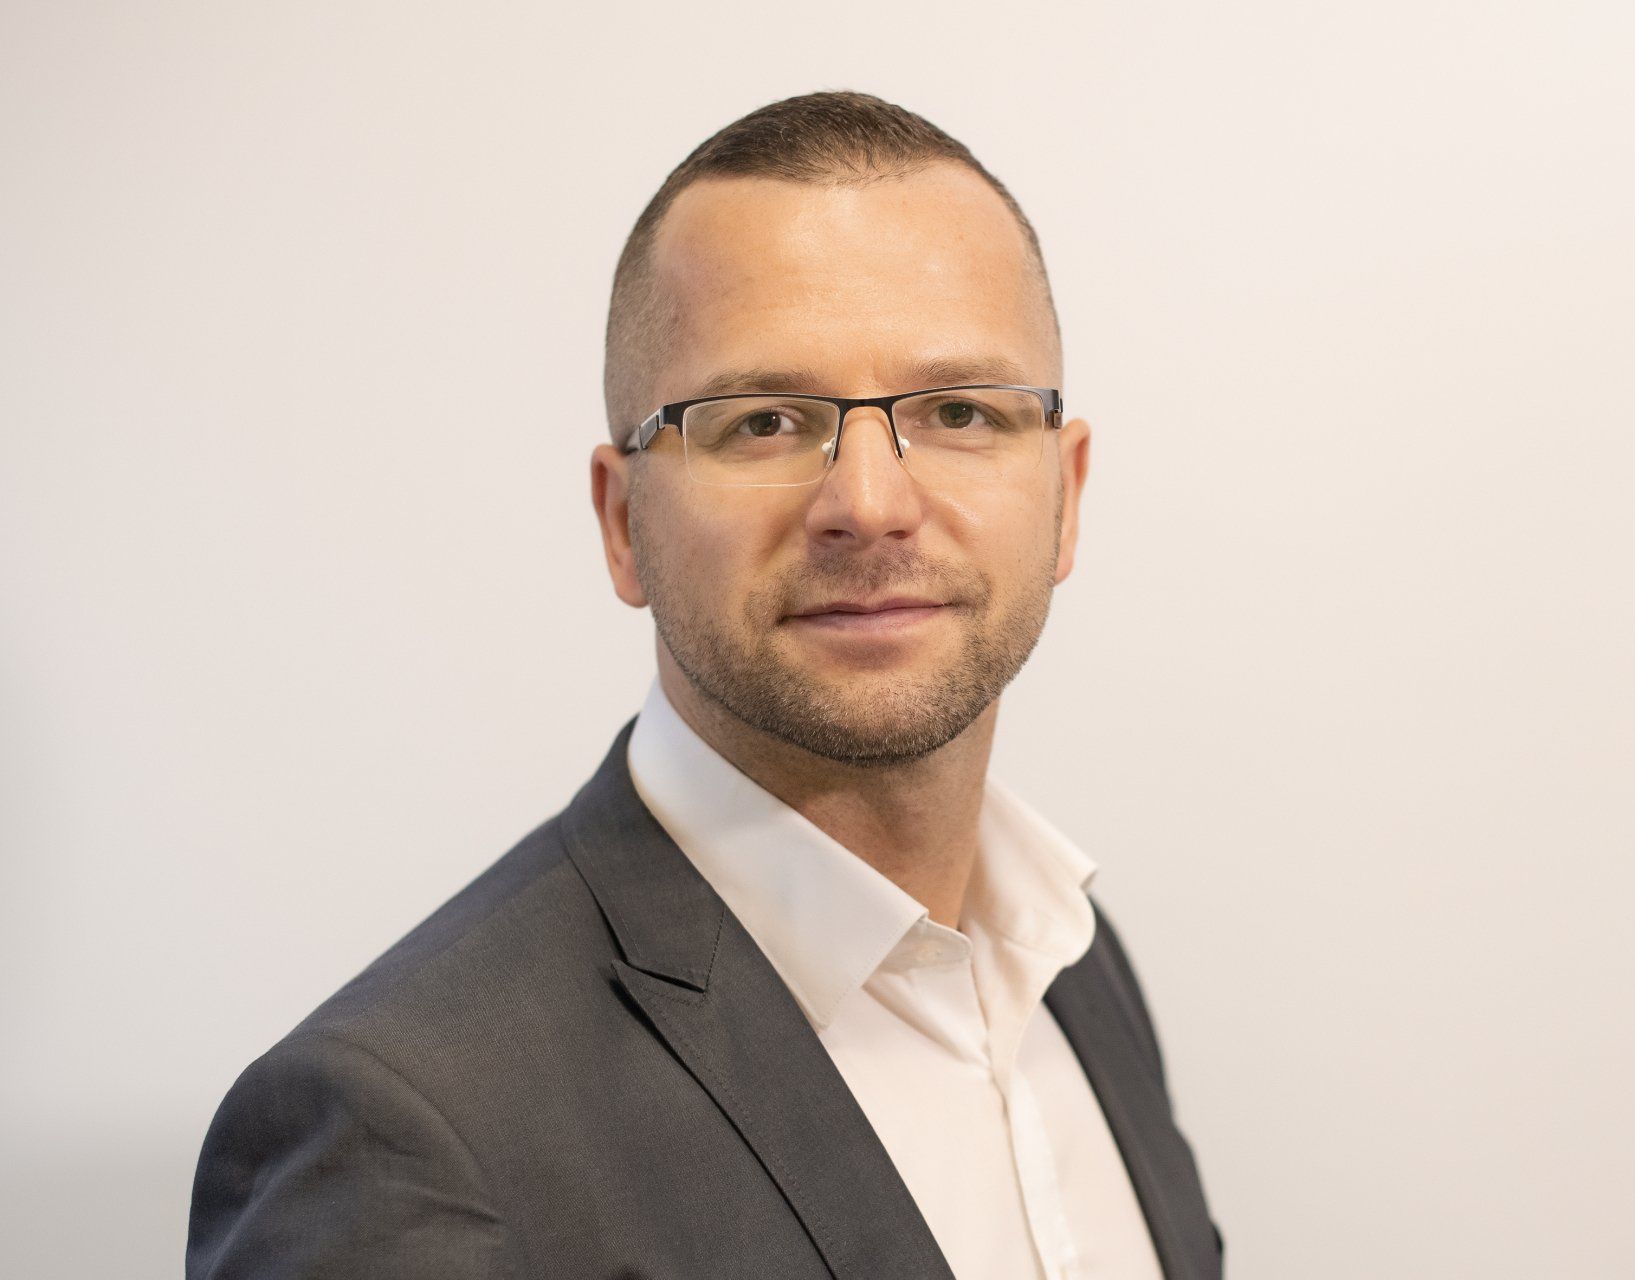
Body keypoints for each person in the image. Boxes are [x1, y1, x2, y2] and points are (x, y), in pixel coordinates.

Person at [187, 90, 1222, 1280]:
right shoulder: (402, 1139)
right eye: (767, 421)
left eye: (958, 411)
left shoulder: (1073, 966)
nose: (871, 504)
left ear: (1067, 496)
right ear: (623, 522)